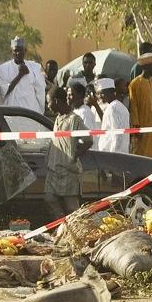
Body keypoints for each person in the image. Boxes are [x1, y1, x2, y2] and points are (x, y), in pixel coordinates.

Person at [44, 87, 91, 218]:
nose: (47, 106)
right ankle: (62, 229)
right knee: (49, 199)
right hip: (53, 169)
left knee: (71, 207)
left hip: (67, 171)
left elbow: (88, 140)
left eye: (49, 102)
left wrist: (74, 156)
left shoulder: (74, 120)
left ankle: (78, 233)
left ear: (57, 101)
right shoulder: (58, 118)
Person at [0, 37, 46, 113]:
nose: (18, 53)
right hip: (12, 113)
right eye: (15, 51)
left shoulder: (34, 67)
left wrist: (40, 110)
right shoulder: (3, 69)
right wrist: (20, 75)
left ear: (25, 51)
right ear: (11, 51)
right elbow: (3, 92)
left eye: (20, 50)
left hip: (31, 113)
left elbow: (40, 91)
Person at [128, 53, 152, 158]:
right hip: (141, 127)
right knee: (140, 155)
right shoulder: (134, 84)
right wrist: (136, 126)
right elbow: (133, 106)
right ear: (146, 67)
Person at [96, 78, 131, 153]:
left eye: (102, 93)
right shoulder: (116, 106)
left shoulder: (113, 108)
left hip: (114, 154)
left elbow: (117, 135)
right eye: (98, 93)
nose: (100, 96)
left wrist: (114, 155)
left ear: (111, 92)